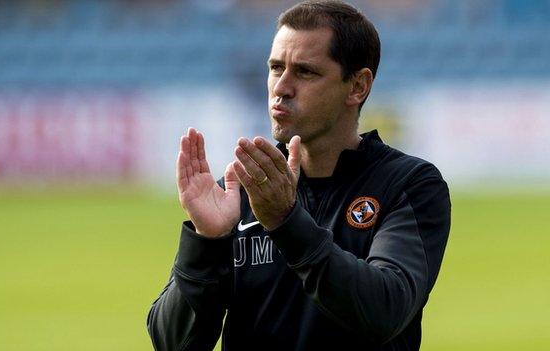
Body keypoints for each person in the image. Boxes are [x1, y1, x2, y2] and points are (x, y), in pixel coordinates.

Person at [147, 1, 451, 350]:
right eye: (276, 68)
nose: (282, 87)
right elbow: (173, 343)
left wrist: (286, 222)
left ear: (357, 86)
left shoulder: (408, 185)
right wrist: (206, 242)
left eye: (305, 72)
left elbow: (384, 311)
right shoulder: (243, 189)